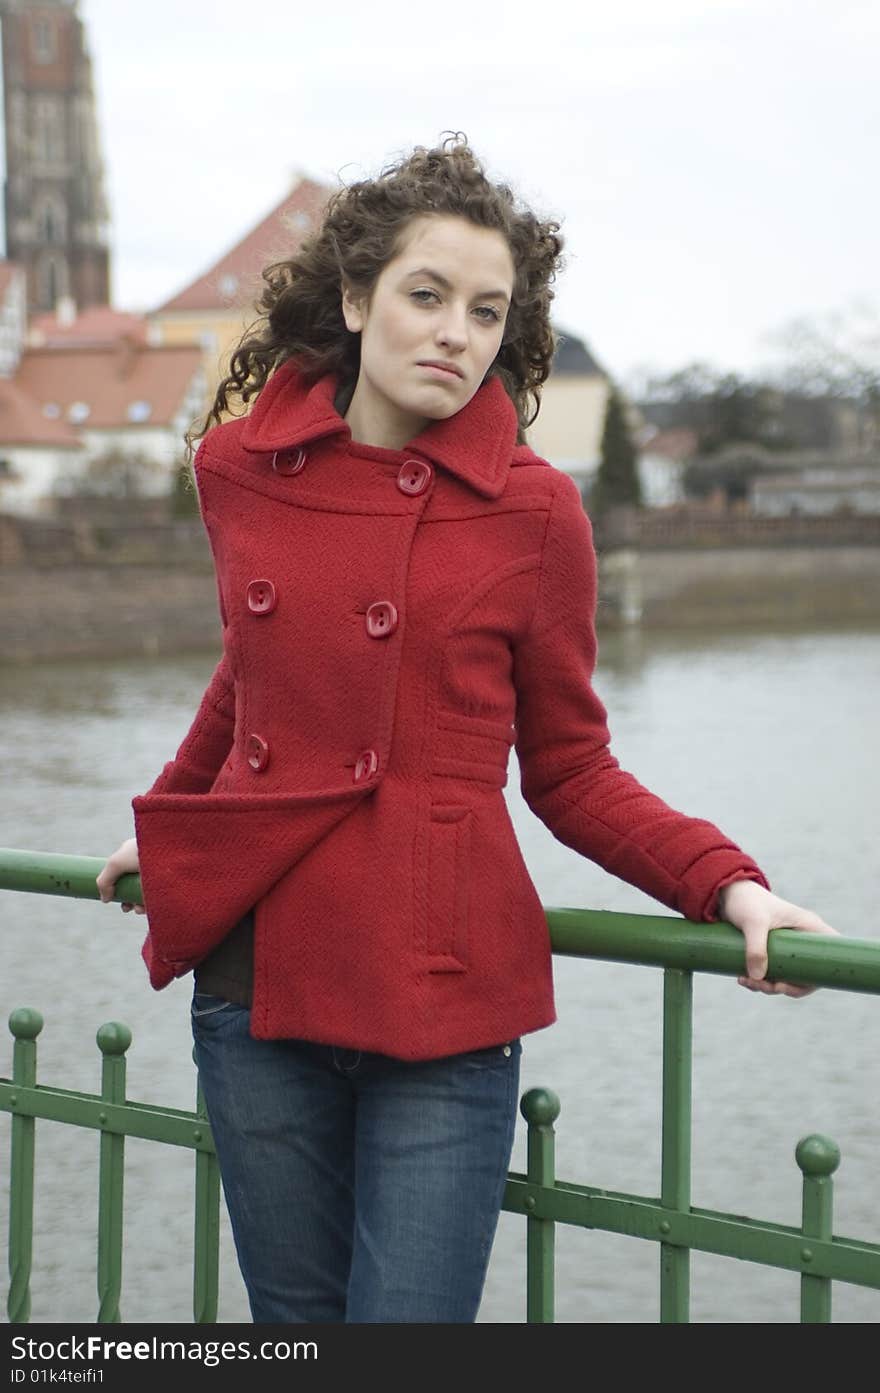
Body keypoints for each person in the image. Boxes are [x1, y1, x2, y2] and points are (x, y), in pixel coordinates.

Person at [96, 135, 837, 1324]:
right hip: (258, 983)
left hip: (441, 993)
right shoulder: (238, 468)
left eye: (485, 310)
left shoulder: (536, 513)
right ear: (354, 298)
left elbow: (572, 767)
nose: (454, 331)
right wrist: (180, 821)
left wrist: (727, 885)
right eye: (425, 295)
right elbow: (253, 671)